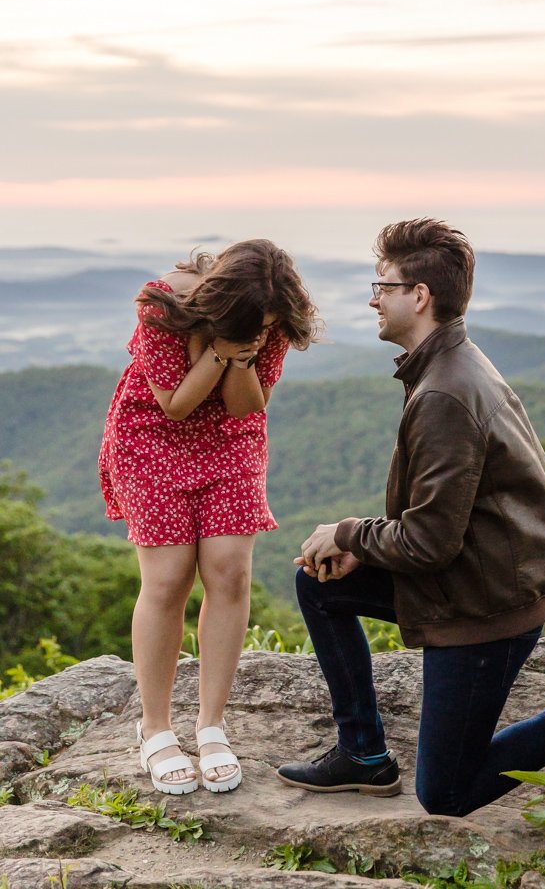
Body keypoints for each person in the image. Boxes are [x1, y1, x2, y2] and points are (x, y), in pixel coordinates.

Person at [276, 218, 545, 816]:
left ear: (420, 297)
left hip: (485, 605)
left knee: (448, 793)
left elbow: (430, 543)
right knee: (320, 583)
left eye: (383, 285)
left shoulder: (444, 394)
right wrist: (363, 548)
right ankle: (362, 755)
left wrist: (350, 532)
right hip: (471, 571)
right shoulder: (447, 361)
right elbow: (439, 527)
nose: (373, 297)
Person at [99, 239, 319, 796]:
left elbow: (247, 405)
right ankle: (155, 729)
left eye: (267, 321)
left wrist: (243, 355)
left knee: (228, 571)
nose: (262, 326)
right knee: (168, 578)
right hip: (152, 436)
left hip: (230, 441)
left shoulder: (272, 319)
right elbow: (174, 402)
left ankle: (211, 724)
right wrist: (219, 350)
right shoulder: (161, 304)